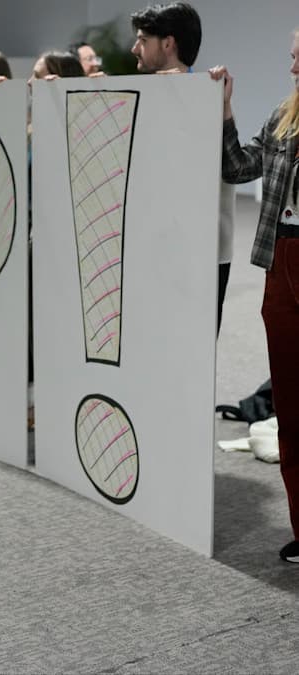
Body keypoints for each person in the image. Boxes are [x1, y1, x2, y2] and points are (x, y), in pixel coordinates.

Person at [211, 28, 299, 563]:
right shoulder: (282, 117)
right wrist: (225, 113)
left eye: (297, 53)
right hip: (281, 261)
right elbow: (238, 168)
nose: (291, 62)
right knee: (290, 405)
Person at [130, 1, 234, 334]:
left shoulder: (210, 96)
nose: (135, 48)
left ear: (168, 43)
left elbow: (229, 168)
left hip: (199, 253)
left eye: (143, 39)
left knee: (193, 349)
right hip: (150, 248)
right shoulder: (134, 97)